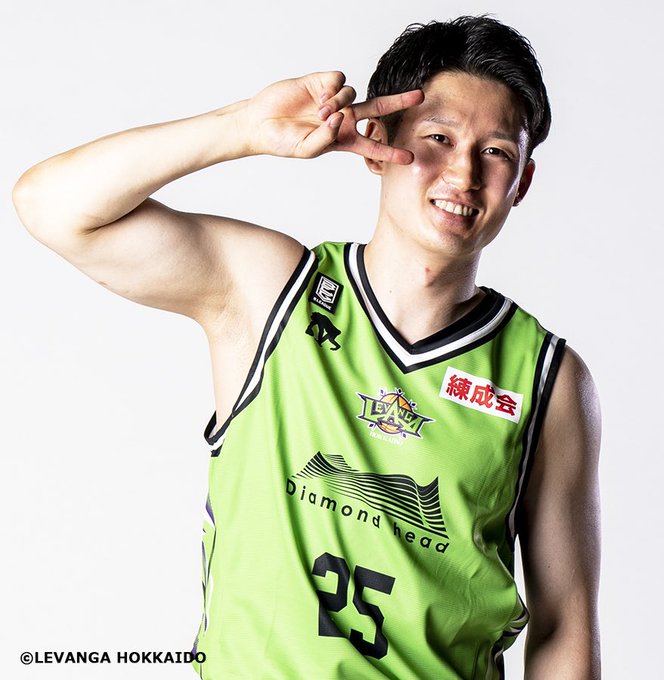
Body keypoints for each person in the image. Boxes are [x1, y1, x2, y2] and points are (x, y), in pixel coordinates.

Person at [13, 15, 601, 680]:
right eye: (438, 138)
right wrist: (242, 128)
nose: (462, 173)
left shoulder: (546, 377)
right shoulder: (270, 292)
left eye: (495, 152)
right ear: (377, 144)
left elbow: (564, 624)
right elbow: (52, 207)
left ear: (522, 182)